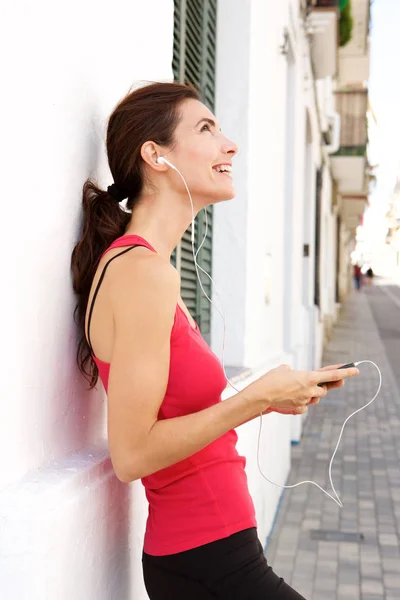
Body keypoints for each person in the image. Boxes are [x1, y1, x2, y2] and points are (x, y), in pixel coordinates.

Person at [71, 82, 359, 599]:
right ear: (155, 156)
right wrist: (259, 398)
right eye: (206, 129)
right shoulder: (141, 271)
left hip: (218, 554)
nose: (230, 144)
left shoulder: (152, 267)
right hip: (208, 560)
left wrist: (275, 395)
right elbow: (132, 454)